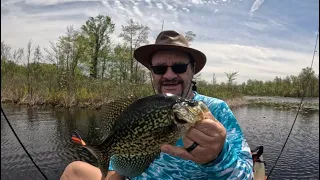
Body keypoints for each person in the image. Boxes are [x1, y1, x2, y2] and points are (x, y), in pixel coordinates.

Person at [60, 30, 253, 180]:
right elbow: (117, 170)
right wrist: (111, 168)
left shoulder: (216, 110)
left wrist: (218, 156)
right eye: (160, 68)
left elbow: (247, 176)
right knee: (74, 170)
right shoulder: (140, 108)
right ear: (152, 73)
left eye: (178, 67)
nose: (169, 75)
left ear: (192, 70)